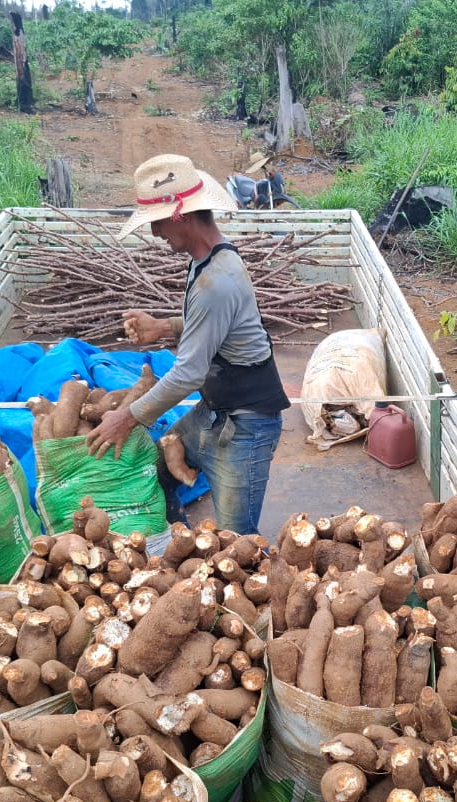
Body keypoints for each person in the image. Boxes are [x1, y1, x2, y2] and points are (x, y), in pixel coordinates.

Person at [85, 154, 289, 536]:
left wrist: (126, 417)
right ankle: (181, 544)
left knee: (235, 543)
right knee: (159, 468)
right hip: (214, 413)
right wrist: (164, 326)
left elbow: (189, 373)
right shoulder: (209, 259)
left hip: (245, 426)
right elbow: (217, 329)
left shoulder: (218, 281)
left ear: (181, 216)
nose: (155, 233)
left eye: (157, 223)